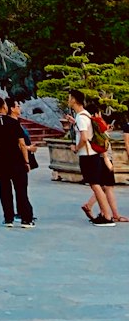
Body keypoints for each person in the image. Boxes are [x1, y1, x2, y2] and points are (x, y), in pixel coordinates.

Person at [68, 89, 117, 225]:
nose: (68, 100)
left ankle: (107, 216)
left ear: (74, 100)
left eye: (69, 97)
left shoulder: (81, 117)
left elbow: (84, 138)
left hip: (88, 155)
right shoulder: (85, 115)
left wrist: (76, 148)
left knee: (95, 185)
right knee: (96, 185)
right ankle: (105, 215)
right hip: (92, 155)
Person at [0, 96, 34, 227]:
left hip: (1, 160)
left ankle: (8, 218)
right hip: (16, 160)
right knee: (21, 189)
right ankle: (26, 219)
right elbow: (22, 144)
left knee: (4, 189)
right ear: (4, 107)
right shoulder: (13, 122)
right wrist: (26, 161)